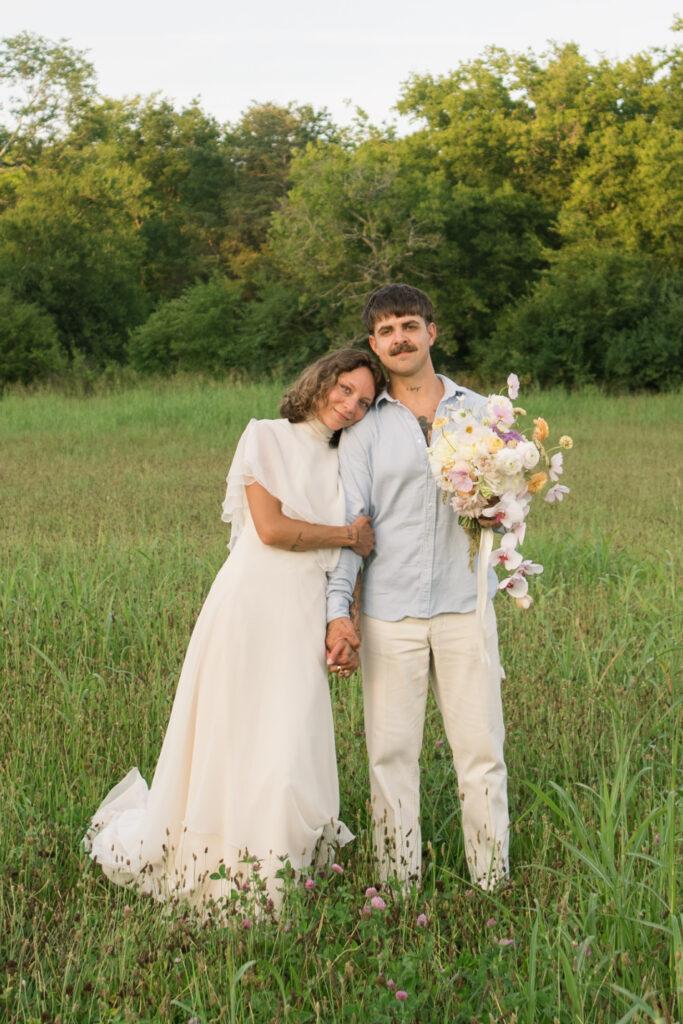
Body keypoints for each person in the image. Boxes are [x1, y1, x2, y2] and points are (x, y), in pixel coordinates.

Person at [84, 348, 385, 914]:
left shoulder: (349, 458)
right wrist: (348, 536)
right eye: (344, 389)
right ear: (320, 381)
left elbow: (355, 549)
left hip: (305, 607)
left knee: (292, 735)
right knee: (237, 729)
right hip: (252, 602)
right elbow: (270, 529)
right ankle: (218, 867)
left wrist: (345, 618)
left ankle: (277, 866)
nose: (350, 406)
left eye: (365, 402)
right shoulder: (265, 436)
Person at [326, 284, 509, 890]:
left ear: (433, 331)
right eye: (385, 331)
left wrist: (497, 514)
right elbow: (353, 529)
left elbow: (510, 507)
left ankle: (492, 881)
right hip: (389, 612)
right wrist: (338, 614)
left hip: (465, 604)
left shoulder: (481, 411)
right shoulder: (364, 427)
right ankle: (399, 886)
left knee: (481, 753)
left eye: (408, 324)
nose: (399, 337)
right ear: (375, 346)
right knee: (390, 758)